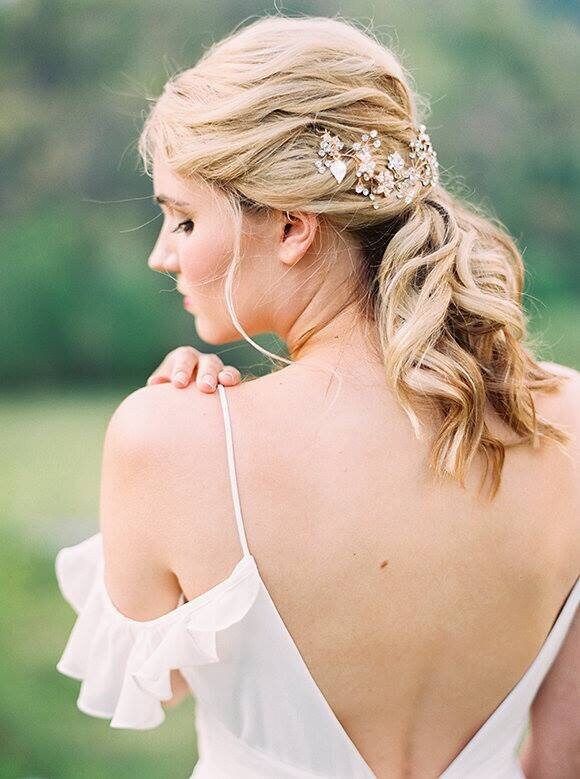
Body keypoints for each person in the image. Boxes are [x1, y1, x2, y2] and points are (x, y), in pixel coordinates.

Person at [54, 14, 579, 779]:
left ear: (294, 227)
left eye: (184, 217)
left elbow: (155, 680)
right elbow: (563, 758)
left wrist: (176, 417)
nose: (162, 254)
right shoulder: (568, 420)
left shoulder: (170, 442)